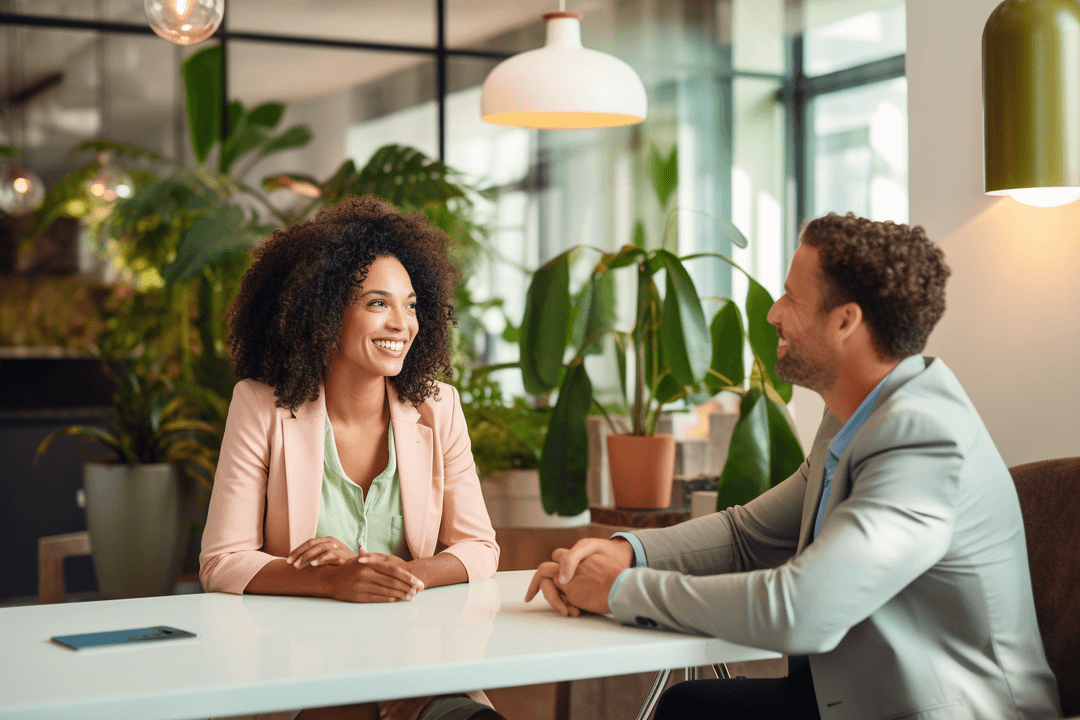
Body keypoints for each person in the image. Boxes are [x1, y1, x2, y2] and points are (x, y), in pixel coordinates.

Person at [526, 213, 1061, 720]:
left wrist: (621, 589)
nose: (772, 312)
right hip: (856, 695)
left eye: (791, 297)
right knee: (687, 709)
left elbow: (802, 610)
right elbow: (747, 534)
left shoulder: (922, 437)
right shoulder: (851, 416)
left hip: (937, 710)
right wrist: (626, 551)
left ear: (845, 321)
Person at [201, 195, 503, 720]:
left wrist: (404, 575)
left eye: (410, 305)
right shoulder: (261, 406)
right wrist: (329, 582)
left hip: (417, 663)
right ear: (322, 311)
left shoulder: (438, 409)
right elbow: (223, 562)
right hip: (300, 668)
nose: (402, 324)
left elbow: (480, 547)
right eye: (377, 303)